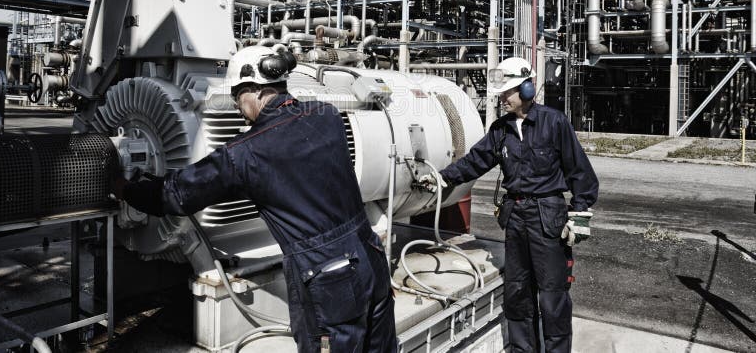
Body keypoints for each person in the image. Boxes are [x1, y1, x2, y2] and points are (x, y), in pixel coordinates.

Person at [113, 46, 397, 353]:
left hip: (329, 279)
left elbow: (175, 194)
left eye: (237, 96)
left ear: (254, 91)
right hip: (371, 257)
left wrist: (125, 187)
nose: (236, 107)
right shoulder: (327, 116)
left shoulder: (246, 153)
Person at [437, 57, 599, 353]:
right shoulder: (500, 129)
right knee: (518, 292)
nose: (502, 98)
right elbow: (475, 162)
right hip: (515, 217)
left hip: (547, 216)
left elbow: (581, 172)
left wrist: (580, 215)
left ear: (527, 88)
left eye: (508, 92)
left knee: (553, 295)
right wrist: (440, 178)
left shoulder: (554, 122)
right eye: (501, 93)